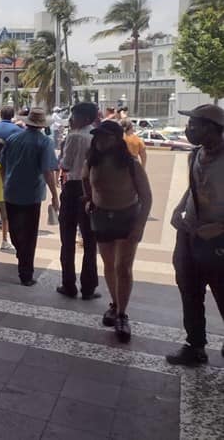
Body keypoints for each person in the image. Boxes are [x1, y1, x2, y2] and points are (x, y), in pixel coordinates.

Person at [83, 120, 152, 343]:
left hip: (127, 217)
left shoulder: (131, 164)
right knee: (109, 265)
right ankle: (115, 304)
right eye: (98, 137)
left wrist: (140, 225)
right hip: (101, 217)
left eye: (105, 137)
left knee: (123, 267)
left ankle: (122, 314)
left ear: (116, 139)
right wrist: (90, 200)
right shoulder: (92, 160)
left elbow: (146, 196)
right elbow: (84, 178)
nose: (99, 141)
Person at [166, 105, 224, 366]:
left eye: (194, 125)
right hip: (189, 235)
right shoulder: (196, 154)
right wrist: (179, 209)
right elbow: (193, 188)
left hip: (218, 241)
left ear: (212, 128)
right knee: (189, 291)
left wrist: (220, 227)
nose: (189, 129)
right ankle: (195, 345)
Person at [0, 108, 59, 286]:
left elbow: (1, 165)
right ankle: (26, 272)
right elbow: (48, 172)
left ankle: (20, 252)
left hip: (11, 191)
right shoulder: (45, 142)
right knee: (30, 233)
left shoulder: (13, 139)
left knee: (15, 229)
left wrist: (4, 184)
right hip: (32, 194)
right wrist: (55, 195)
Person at [57, 102, 101, 300]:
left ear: (83, 118)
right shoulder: (96, 136)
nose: (70, 120)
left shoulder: (74, 136)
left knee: (67, 239)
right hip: (91, 189)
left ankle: (69, 284)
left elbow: (65, 165)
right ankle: (89, 287)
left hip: (74, 187)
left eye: (73, 116)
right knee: (90, 241)